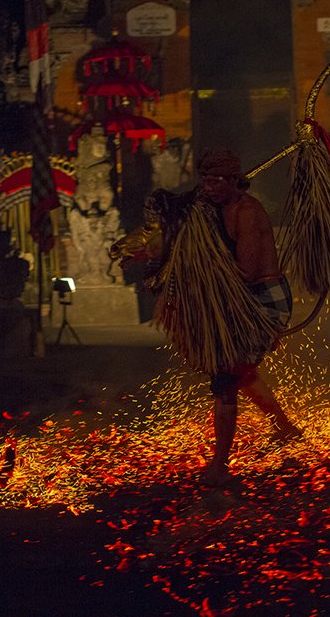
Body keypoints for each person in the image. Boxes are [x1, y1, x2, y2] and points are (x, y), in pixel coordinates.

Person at [112, 149, 301, 486]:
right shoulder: (213, 208)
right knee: (240, 372)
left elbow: (247, 272)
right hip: (237, 295)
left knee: (226, 380)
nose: (209, 187)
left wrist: (192, 274)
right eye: (205, 180)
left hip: (262, 298)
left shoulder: (246, 212)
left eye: (216, 181)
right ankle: (285, 428)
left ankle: (220, 465)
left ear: (233, 181)